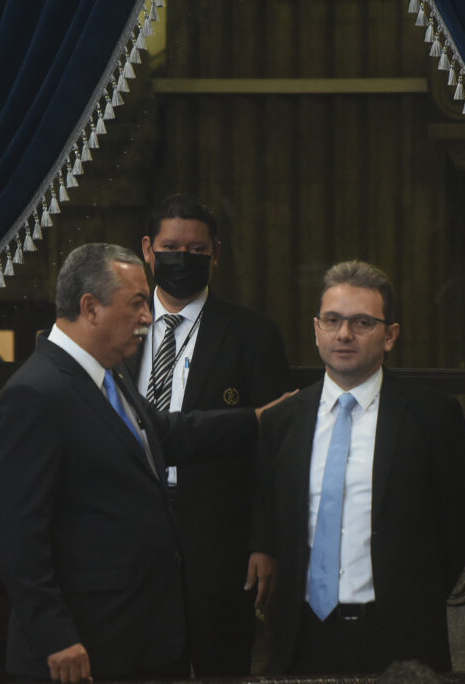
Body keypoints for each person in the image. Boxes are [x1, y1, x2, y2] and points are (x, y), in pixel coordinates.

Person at [0, 243, 265, 682]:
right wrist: (55, 635)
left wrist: (258, 420)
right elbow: (18, 536)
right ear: (90, 307)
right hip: (83, 652)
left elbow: (166, 435)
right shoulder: (35, 395)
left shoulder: (109, 374)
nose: (148, 317)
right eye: (137, 303)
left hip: (141, 643)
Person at [250, 260, 465, 674]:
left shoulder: (432, 417)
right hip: (302, 636)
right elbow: (270, 514)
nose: (344, 334)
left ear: (390, 336)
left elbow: (459, 522)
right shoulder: (284, 421)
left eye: (362, 323)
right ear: (315, 328)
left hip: (399, 637)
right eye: (333, 320)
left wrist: (415, 597)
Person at [126, 193, 292, 676]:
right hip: (131, 536)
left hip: (220, 543)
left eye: (197, 251)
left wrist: (266, 541)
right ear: (148, 249)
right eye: (172, 247)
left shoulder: (253, 335)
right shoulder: (119, 329)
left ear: (216, 254)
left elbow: (274, 448)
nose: (184, 259)